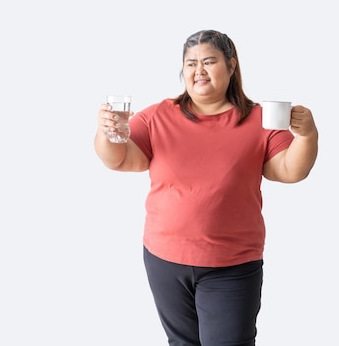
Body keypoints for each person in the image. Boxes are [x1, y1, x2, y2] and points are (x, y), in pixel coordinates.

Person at [94, 29, 318, 346]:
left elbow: (289, 170)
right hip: (164, 259)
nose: (198, 70)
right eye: (190, 63)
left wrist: (307, 136)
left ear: (231, 66)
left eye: (209, 61)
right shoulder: (159, 115)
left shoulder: (260, 119)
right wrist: (108, 132)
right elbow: (120, 160)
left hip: (232, 264)